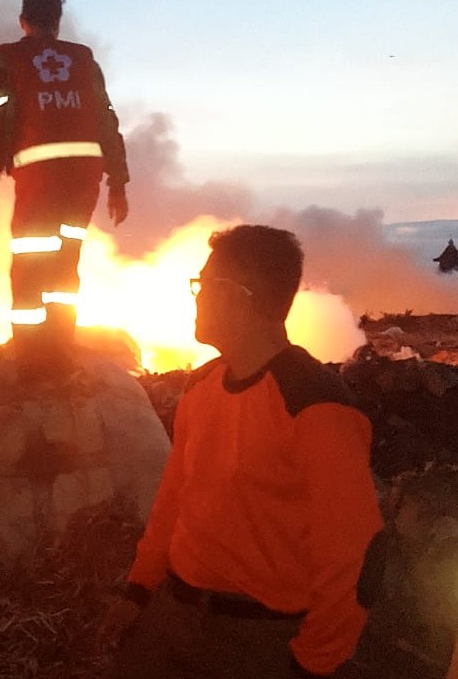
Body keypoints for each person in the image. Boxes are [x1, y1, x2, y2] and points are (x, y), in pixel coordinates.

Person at [99, 224, 385, 678]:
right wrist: (139, 591)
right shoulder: (202, 389)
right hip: (174, 614)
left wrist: (313, 662)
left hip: (257, 641)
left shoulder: (315, 405)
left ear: (236, 294)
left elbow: (353, 555)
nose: (195, 297)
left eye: (203, 284)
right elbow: (174, 502)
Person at [0, 0, 131, 381]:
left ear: (23, 21)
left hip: (39, 181)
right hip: (84, 182)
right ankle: (61, 354)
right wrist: (118, 183)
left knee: (30, 265)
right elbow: (106, 121)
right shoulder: (83, 60)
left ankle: (32, 364)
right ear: (58, 23)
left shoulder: (6, 59)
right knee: (65, 265)